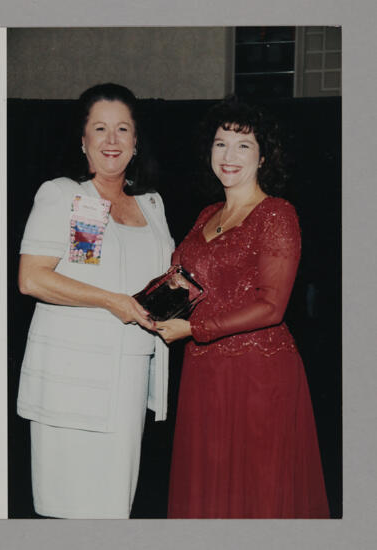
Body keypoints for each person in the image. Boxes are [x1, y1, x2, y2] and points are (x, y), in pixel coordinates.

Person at [155, 97, 329, 518]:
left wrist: (194, 330)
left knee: (258, 494)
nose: (229, 156)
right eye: (220, 144)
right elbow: (185, 282)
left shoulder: (276, 214)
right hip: (204, 372)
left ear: (264, 156)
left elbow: (272, 307)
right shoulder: (207, 214)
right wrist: (151, 301)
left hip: (258, 376)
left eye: (243, 145)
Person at [16, 83, 174, 519]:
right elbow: (32, 279)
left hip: (128, 381)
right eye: (99, 128)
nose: (111, 140)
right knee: (71, 509)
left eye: (122, 129)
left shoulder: (152, 204)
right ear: (82, 140)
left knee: (112, 509)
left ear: (136, 142)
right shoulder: (67, 194)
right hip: (73, 382)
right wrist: (112, 301)